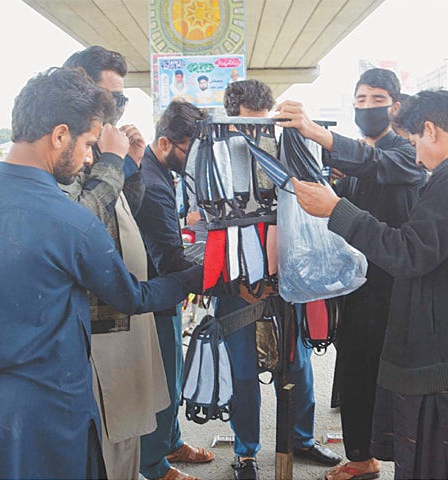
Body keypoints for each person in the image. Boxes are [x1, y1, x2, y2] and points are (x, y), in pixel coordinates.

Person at [0, 67, 202, 479]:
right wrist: (197, 276)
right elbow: (132, 297)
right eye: (88, 144)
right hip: (56, 416)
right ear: (59, 135)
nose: (89, 157)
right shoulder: (72, 221)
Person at [279, 89, 448, 479]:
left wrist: (336, 210)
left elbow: (410, 254)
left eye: (415, 142)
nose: (415, 156)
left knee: (443, 462)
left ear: (430, 129)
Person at [216, 79, 342, 480]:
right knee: (243, 373)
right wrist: (233, 280)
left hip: (289, 279)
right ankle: (246, 453)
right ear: (231, 120)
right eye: (245, 125)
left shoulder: (286, 147)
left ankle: (301, 440)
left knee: (298, 367)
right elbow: (204, 225)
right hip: (236, 286)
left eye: (260, 124)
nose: (253, 134)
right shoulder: (214, 155)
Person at [61, 45, 173, 480]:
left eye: (119, 102)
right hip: (95, 326)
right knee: (103, 440)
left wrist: (133, 165)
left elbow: (122, 211)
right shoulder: (66, 154)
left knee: (127, 430)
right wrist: (108, 158)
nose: (113, 112)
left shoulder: (102, 152)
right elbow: (78, 225)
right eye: (106, 100)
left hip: (124, 313)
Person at [314, 68, 426, 480]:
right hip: (358, 288)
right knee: (357, 371)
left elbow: (376, 164)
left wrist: (320, 135)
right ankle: (362, 456)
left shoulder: (403, 154)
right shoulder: (359, 160)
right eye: (359, 100)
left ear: (394, 106)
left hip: (395, 286)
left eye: (375, 99)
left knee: (393, 377)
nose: (366, 107)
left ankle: (401, 459)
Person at [134, 99, 215, 480]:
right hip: (155, 296)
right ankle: (154, 464)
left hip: (165, 291)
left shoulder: (160, 171)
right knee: (164, 382)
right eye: (189, 152)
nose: (193, 161)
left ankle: (171, 441)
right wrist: (216, 269)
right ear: (165, 143)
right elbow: (169, 259)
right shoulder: (152, 184)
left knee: (175, 372)